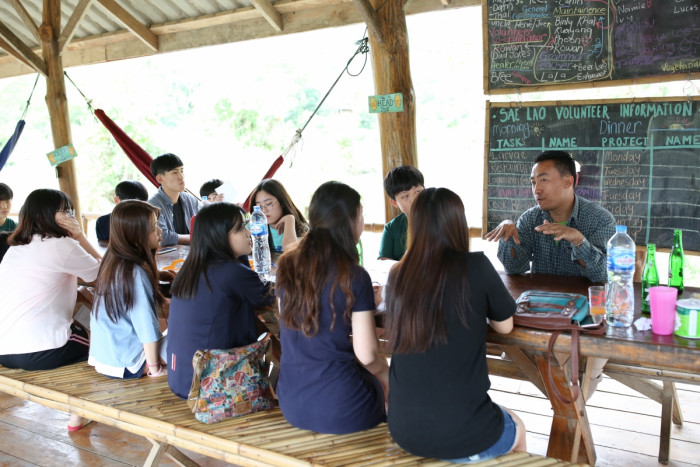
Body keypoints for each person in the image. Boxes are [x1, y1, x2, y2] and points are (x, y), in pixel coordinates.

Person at [384, 187, 526, 463]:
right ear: (458, 224)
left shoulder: (398, 273)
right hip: (462, 434)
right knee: (517, 425)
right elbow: (505, 327)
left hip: (404, 430)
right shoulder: (475, 266)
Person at [275, 181, 388, 435]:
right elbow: (367, 355)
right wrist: (388, 375)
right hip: (342, 406)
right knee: (384, 380)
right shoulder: (354, 276)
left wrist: (366, 303)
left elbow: (294, 320)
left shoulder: (287, 267)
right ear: (349, 221)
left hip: (291, 402)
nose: (362, 220)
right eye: (360, 214)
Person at [0, 188, 101, 431]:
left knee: (80, 318)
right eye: (64, 211)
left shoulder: (18, 245)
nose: (71, 216)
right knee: (100, 348)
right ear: (45, 214)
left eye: (71, 211)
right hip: (41, 351)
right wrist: (80, 237)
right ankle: (80, 412)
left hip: (4, 350)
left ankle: (78, 411)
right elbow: (103, 275)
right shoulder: (60, 243)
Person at [167, 202, 274, 399]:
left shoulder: (191, 268)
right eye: (241, 228)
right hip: (213, 385)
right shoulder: (231, 273)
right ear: (221, 237)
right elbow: (275, 297)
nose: (248, 232)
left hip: (182, 379)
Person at [485, 150, 615, 283]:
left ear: (567, 182)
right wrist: (509, 237)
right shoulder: (530, 219)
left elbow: (602, 275)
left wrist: (578, 240)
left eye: (543, 180)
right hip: (541, 300)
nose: (536, 190)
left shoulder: (600, 219)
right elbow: (514, 268)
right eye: (533, 182)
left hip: (583, 301)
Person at [89, 200, 168, 379]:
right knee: (186, 336)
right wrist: (154, 368)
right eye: (154, 228)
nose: (160, 231)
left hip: (106, 358)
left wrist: (162, 276)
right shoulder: (135, 272)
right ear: (135, 237)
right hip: (130, 363)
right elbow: (146, 324)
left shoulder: (112, 260)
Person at [148, 153, 201, 246]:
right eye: (175, 172)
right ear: (160, 179)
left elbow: (207, 221)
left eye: (182, 170)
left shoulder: (190, 199)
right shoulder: (153, 205)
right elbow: (162, 237)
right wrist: (195, 238)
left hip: (193, 254)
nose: (181, 176)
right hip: (168, 258)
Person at [378, 165, 424, 260]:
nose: (414, 199)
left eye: (418, 191)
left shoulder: (440, 219)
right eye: (405, 196)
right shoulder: (391, 228)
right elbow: (383, 262)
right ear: (395, 202)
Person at [249, 179, 308, 253]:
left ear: (282, 202)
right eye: (259, 206)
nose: (264, 210)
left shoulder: (302, 230)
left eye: (268, 204)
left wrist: (289, 219)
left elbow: (291, 256)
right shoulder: (255, 227)